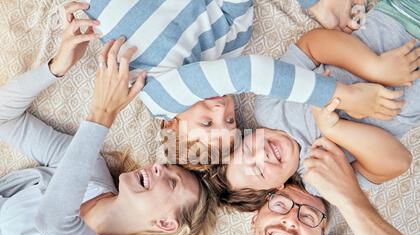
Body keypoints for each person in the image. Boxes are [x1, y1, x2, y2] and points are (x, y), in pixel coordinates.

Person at [0, 3, 216, 235]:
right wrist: (57, 67)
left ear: (166, 223)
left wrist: (102, 114)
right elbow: (3, 117)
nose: (157, 166)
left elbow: (55, 222)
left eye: (171, 181)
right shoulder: (87, 168)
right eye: (166, 166)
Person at [84, 0, 399, 163]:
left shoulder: (160, 97)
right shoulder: (227, 48)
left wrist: (339, 95)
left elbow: (250, 73)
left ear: (172, 126)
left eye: (208, 123)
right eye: (231, 119)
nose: (222, 108)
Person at [205, 2, 419, 209]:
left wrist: (375, 67)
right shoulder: (318, 179)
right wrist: (334, 129)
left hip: (400, 19)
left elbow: (312, 45)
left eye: (248, 149)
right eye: (260, 171)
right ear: (277, 188)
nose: (263, 155)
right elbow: (397, 162)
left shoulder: (270, 106)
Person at [173, 137, 420, 235]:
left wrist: (351, 200)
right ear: (255, 219)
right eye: (280, 205)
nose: (291, 220)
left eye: (309, 217)